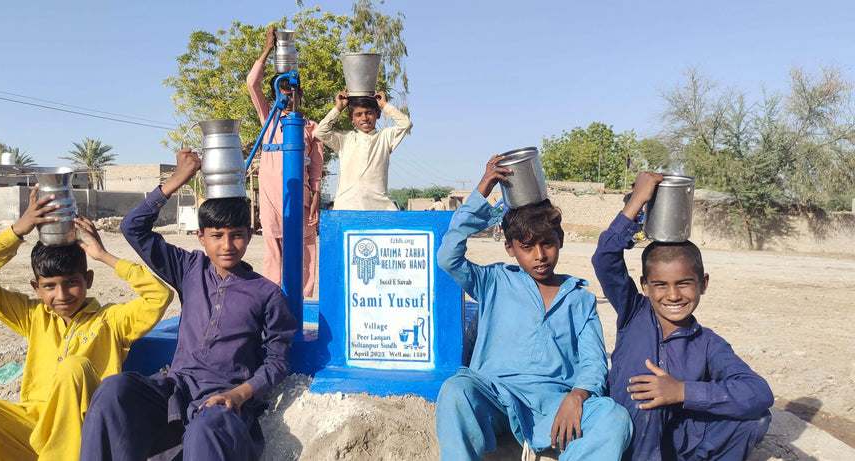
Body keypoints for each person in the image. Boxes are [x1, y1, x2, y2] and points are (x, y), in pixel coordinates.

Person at [81, 148, 296, 461]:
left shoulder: (266, 293)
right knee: (114, 391)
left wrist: (239, 394)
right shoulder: (189, 269)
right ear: (200, 237)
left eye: (236, 235)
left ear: (249, 236)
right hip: (176, 391)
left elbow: (277, 361)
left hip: (223, 404)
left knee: (204, 429)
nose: (226, 245)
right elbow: (133, 228)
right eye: (217, 235)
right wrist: (176, 181)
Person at [0, 188, 172, 461]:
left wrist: (104, 256)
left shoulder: (111, 321)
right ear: (36, 287)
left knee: (75, 367)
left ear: (88, 281)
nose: (62, 295)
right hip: (32, 431)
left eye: (71, 283)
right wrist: (18, 230)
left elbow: (159, 295)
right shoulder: (32, 316)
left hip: (82, 438)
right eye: (49, 286)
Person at [435, 155, 631, 460]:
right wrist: (482, 190)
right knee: (455, 390)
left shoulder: (579, 298)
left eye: (547, 244)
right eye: (527, 247)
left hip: (555, 407)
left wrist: (577, 396)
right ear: (510, 248)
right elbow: (448, 257)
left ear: (560, 240)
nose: (539, 255)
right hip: (497, 398)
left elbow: (594, 363)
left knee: (613, 417)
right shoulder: (494, 281)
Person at [591, 171, 773, 460]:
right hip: (630, 435)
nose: (673, 296)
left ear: (703, 283)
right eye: (661, 285)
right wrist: (639, 199)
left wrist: (681, 392)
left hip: (678, 441)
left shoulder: (708, 344)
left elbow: (759, 393)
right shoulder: (633, 311)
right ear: (645, 286)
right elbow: (604, 258)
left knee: (755, 418)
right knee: (648, 399)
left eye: (684, 284)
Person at [246, 26, 324, 297]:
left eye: (293, 91)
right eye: (284, 91)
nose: (289, 96)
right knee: (273, 251)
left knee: (303, 251)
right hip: (270, 197)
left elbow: (315, 170)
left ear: (300, 94)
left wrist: (316, 200)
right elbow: (251, 84)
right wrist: (268, 49)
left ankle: (298, 304)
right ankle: (272, 301)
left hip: (299, 199)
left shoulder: (311, 127)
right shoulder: (268, 119)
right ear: (277, 94)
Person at [313, 86, 412, 211]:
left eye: (369, 113)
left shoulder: (385, 137)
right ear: (352, 119)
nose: (364, 118)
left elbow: (406, 124)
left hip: (379, 207)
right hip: (347, 206)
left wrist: (385, 105)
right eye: (358, 114)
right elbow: (320, 132)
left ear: (378, 114)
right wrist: (338, 108)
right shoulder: (345, 139)